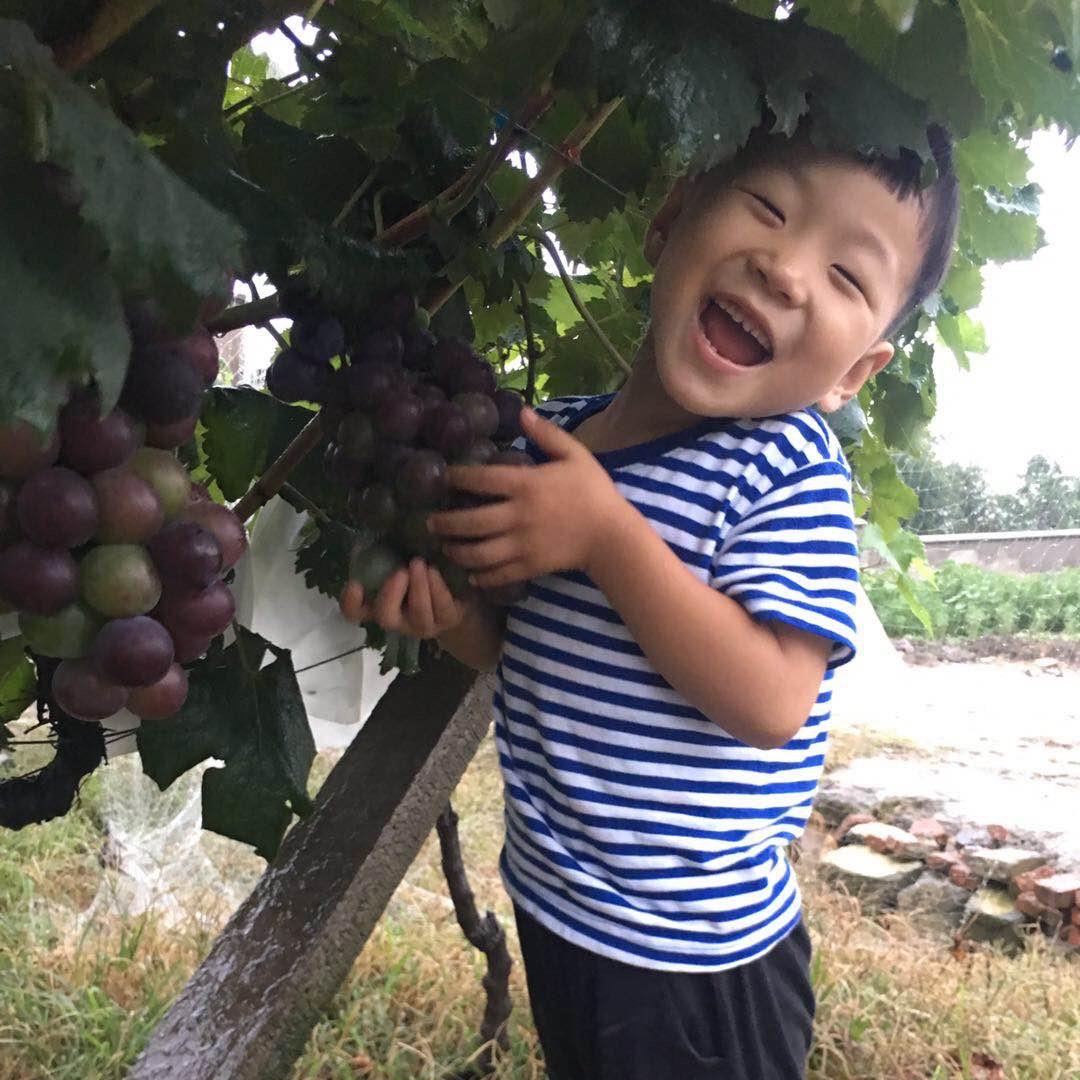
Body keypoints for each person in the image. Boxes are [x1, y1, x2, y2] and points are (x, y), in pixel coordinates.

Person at [340, 121, 959, 1079]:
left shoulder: (784, 471)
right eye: (769, 208)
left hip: (697, 966)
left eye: (847, 277)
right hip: (563, 912)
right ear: (669, 218)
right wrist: (454, 618)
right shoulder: (568, 444)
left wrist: (609, 537)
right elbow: (538, 652)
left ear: (853, 373)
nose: (789, 269)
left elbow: (770, 703)